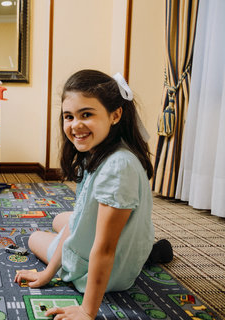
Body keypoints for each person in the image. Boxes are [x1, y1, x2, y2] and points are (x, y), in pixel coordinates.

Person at [14, 70, 172, 319]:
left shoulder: (117, 167)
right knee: (61, 220)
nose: (75, 125)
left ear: (115, 114)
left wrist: (87, 310)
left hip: (110, 272)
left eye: (86, 114)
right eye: (69, 116)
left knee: (35, 238)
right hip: (130, 247)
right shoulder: (106, 151)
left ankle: (141, 259)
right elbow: (79, 219)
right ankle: (148, 253)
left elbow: (104, 248)